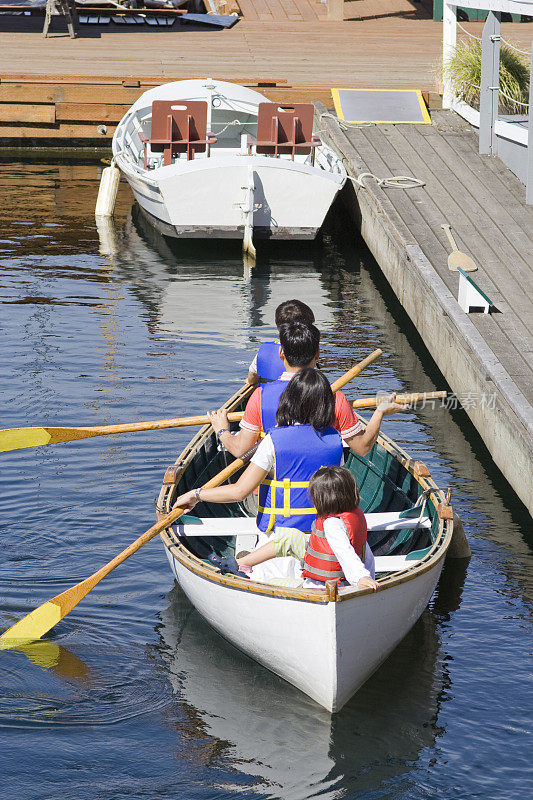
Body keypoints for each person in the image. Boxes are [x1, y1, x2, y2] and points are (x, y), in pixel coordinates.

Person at [174, 369, 346, 544]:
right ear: (326, 404)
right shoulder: (335, 440)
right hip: (325, 538)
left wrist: (195, 495)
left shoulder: (274, 440)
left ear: (289, 401)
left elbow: (240, 492)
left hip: (280, 540)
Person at [208, 320, 406, 459]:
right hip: (324, 500)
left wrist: (222, 429)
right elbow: (362, 448)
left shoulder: (260, 396)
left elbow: (240, 450)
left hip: (273, 502)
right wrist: (379, 412)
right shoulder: (335, 399)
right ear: (318, 355)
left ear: (281, 353)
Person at [236, 465, 378, 591]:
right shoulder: (354, 514)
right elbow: (365, 552)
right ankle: (243, 562)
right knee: (288, 537)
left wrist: (361, 578)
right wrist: (370, 574)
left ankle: (244, 571)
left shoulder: (332, 523)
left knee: (271, 582)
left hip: (322, 588)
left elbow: (346, 553)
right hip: (339, 581)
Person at [246, 298, 315, 385]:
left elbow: (252, 376)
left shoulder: (264, 351)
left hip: (269, 394)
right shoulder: (309, 353)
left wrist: (250, 381)